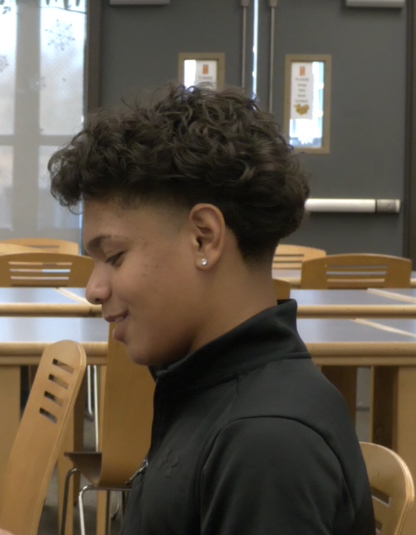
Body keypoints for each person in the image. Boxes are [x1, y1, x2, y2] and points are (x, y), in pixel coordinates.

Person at [48, 85, 375, 534]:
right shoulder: (205, 387)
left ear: (204, 237)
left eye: (115, 257)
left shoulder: (267, 444)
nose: (93, 288)